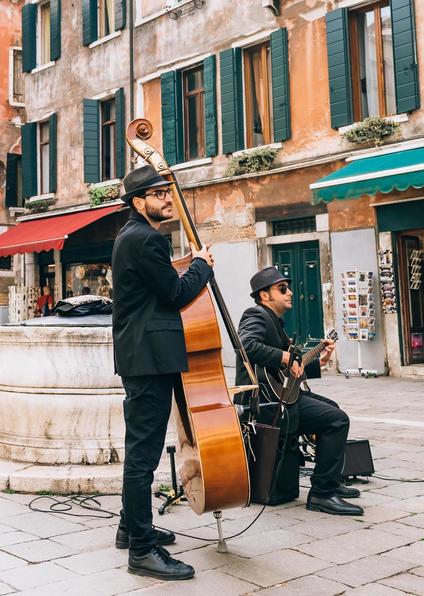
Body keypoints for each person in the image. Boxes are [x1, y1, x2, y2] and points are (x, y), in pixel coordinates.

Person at [112, 164, 215, 582]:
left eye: (167, 192)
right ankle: (141, 550)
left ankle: (129, 527)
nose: (167, 199)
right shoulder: (148, 239)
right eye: (158, 194)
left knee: (140, 450)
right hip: (150, 359)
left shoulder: (129, 237)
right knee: (143, 455)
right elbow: (175, 295)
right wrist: (201, 266)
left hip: (143, 356)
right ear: (139, 202)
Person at [236, 266, 363, 516]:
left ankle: (330, 480)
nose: (290, 292)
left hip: (281, 396)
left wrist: (319, 361)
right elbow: (246, 346)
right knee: (337, 421)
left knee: (332, 410)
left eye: (288, 288)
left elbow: (289, 369)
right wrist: (285, 357)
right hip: (265, 404)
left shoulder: (275, 322)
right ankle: (322, 494)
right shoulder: (256, 314)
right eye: (282, 289)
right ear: (264, 295)